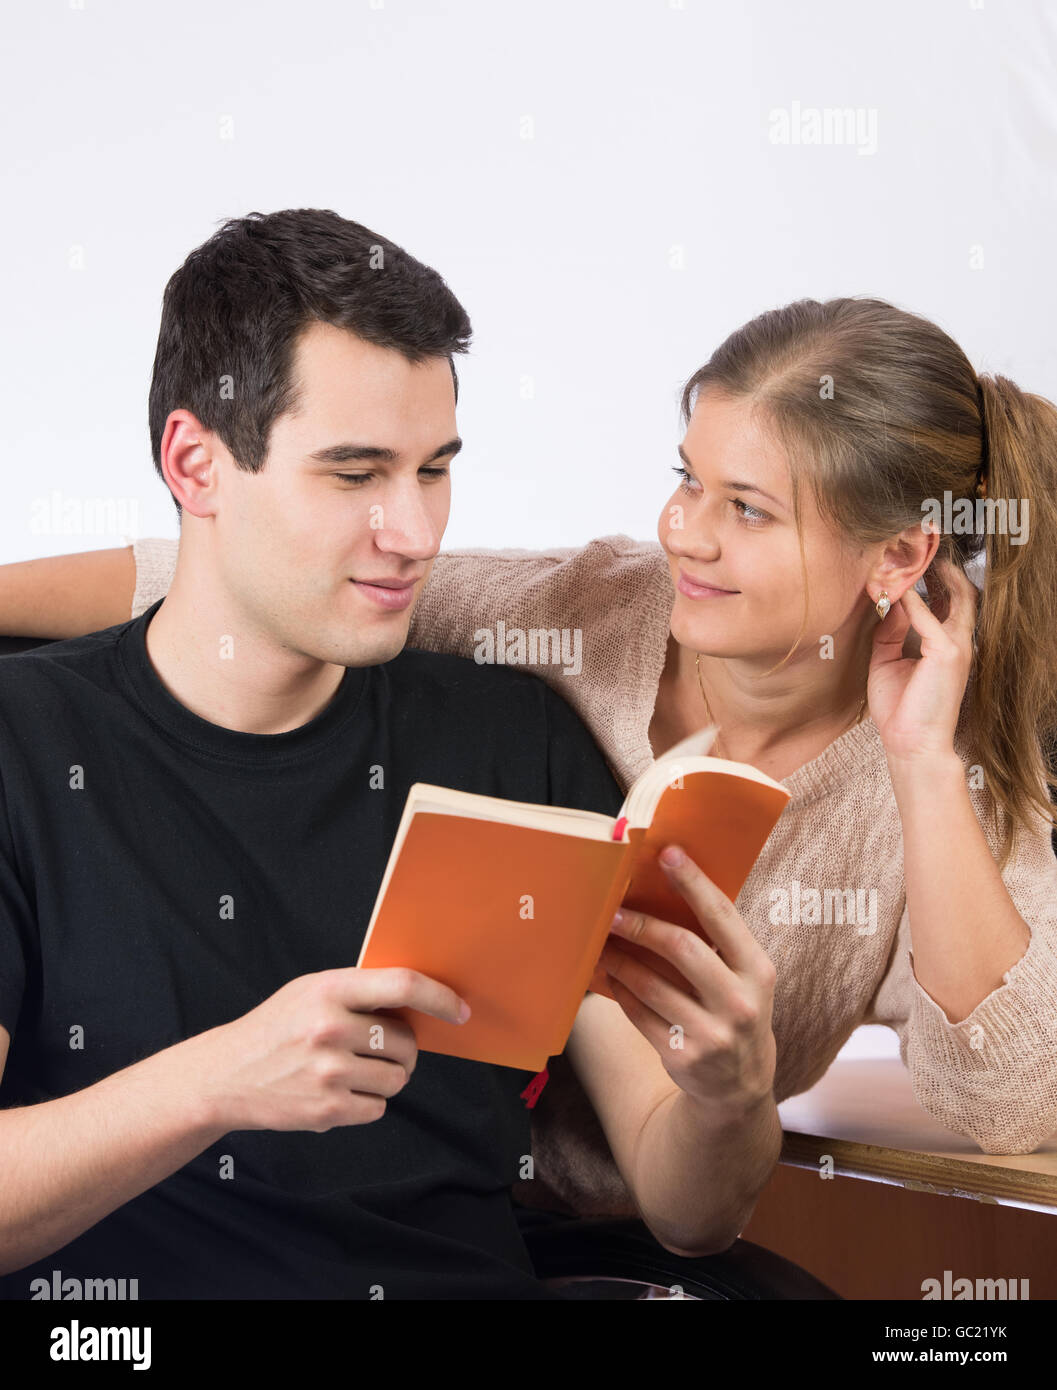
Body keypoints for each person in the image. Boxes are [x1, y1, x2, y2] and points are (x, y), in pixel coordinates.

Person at [6, 295, 1057, 1224]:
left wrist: (922, 763)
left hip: (631, 1207)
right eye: (686, 480)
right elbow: (235, 569)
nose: (685, 535)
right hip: (408, 1173)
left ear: (900, 557)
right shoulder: (575, 613)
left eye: (746, 510)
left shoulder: (955, 770)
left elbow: (1007, 1105)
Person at [0, 209, 784, 1300]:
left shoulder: (510, 740)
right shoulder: (26, 746)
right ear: (197, 463)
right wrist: (217, 1082)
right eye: (356, 473)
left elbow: (688, 1214)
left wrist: (730, 1099)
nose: (415, 532)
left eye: (434, 470)